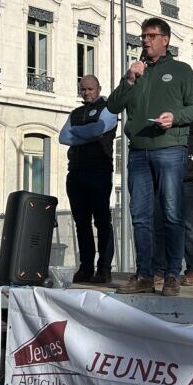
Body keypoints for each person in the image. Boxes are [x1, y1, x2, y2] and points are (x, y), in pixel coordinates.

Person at [107, 17, 193, 296]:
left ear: (165, 40)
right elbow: (112, 106)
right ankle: (145, 275)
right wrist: (129, 80)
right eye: (143, 36)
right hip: (139, 151)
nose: (145, 41)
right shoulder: (135, 72)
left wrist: (175, 117)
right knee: (140, 215)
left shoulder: (181, 70)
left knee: (172, 213)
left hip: (170, 149)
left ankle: (172, 274)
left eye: (151, 36)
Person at [152, 99, 193, 286]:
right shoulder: (163, 101)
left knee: (189, 224)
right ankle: (161, 270)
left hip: (191, 173)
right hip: (164, 171)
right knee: (160, 222)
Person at [58, 75, 118, 284]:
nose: (86, 93)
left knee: (102, 222)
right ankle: (85, 268)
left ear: (98, 88)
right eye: (83, 89)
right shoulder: (75, 113)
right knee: (81, 223)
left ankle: (104, 269)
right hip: (76, 172)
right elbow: (63, 137)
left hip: (99, 171)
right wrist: (86, 134)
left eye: (90, 89)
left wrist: (77, 133)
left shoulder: (108, 109)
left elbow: (98, 129)